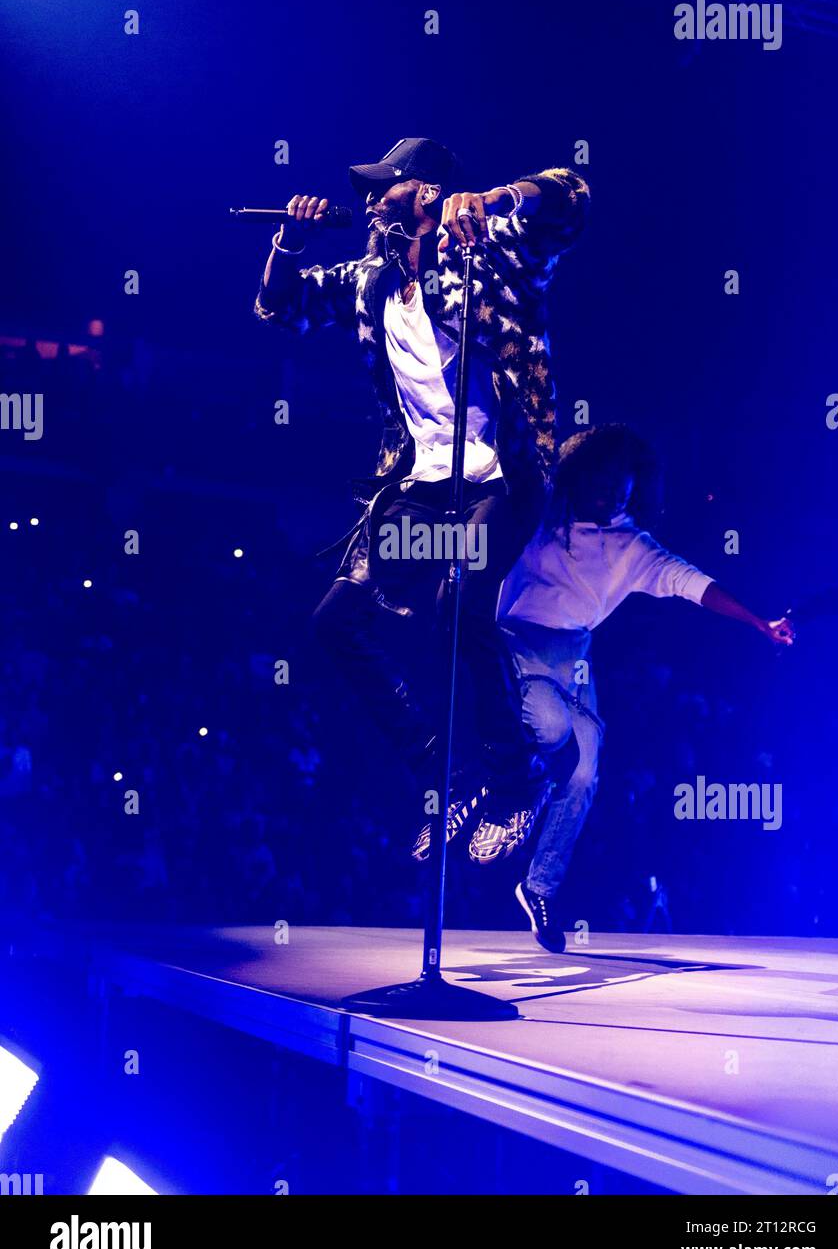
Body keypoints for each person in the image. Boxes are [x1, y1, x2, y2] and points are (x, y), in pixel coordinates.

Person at [254, 137, 590, 839]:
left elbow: (572, 195)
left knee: (460, 598)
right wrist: (290, 241)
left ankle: (515, 778)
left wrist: (498, 198)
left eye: (386, 187)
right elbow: (280, 308)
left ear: (428, 193)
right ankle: (445, 773)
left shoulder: (488, 248)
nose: (371, 200)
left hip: (503, 476)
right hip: (425, 486)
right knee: (334, 622)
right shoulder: (370, 279)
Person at [481, 424, 795, 951]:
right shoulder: (542, 511)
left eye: (621, 496)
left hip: (574, 657)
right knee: (552, 728)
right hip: (516, 641)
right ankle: (499, 787)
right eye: (601, 490)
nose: (608, 503)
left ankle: (538, 887)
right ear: (578, 477)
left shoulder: (633, 546)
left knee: (584, 775)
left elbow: (693, 584)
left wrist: (758, 622)